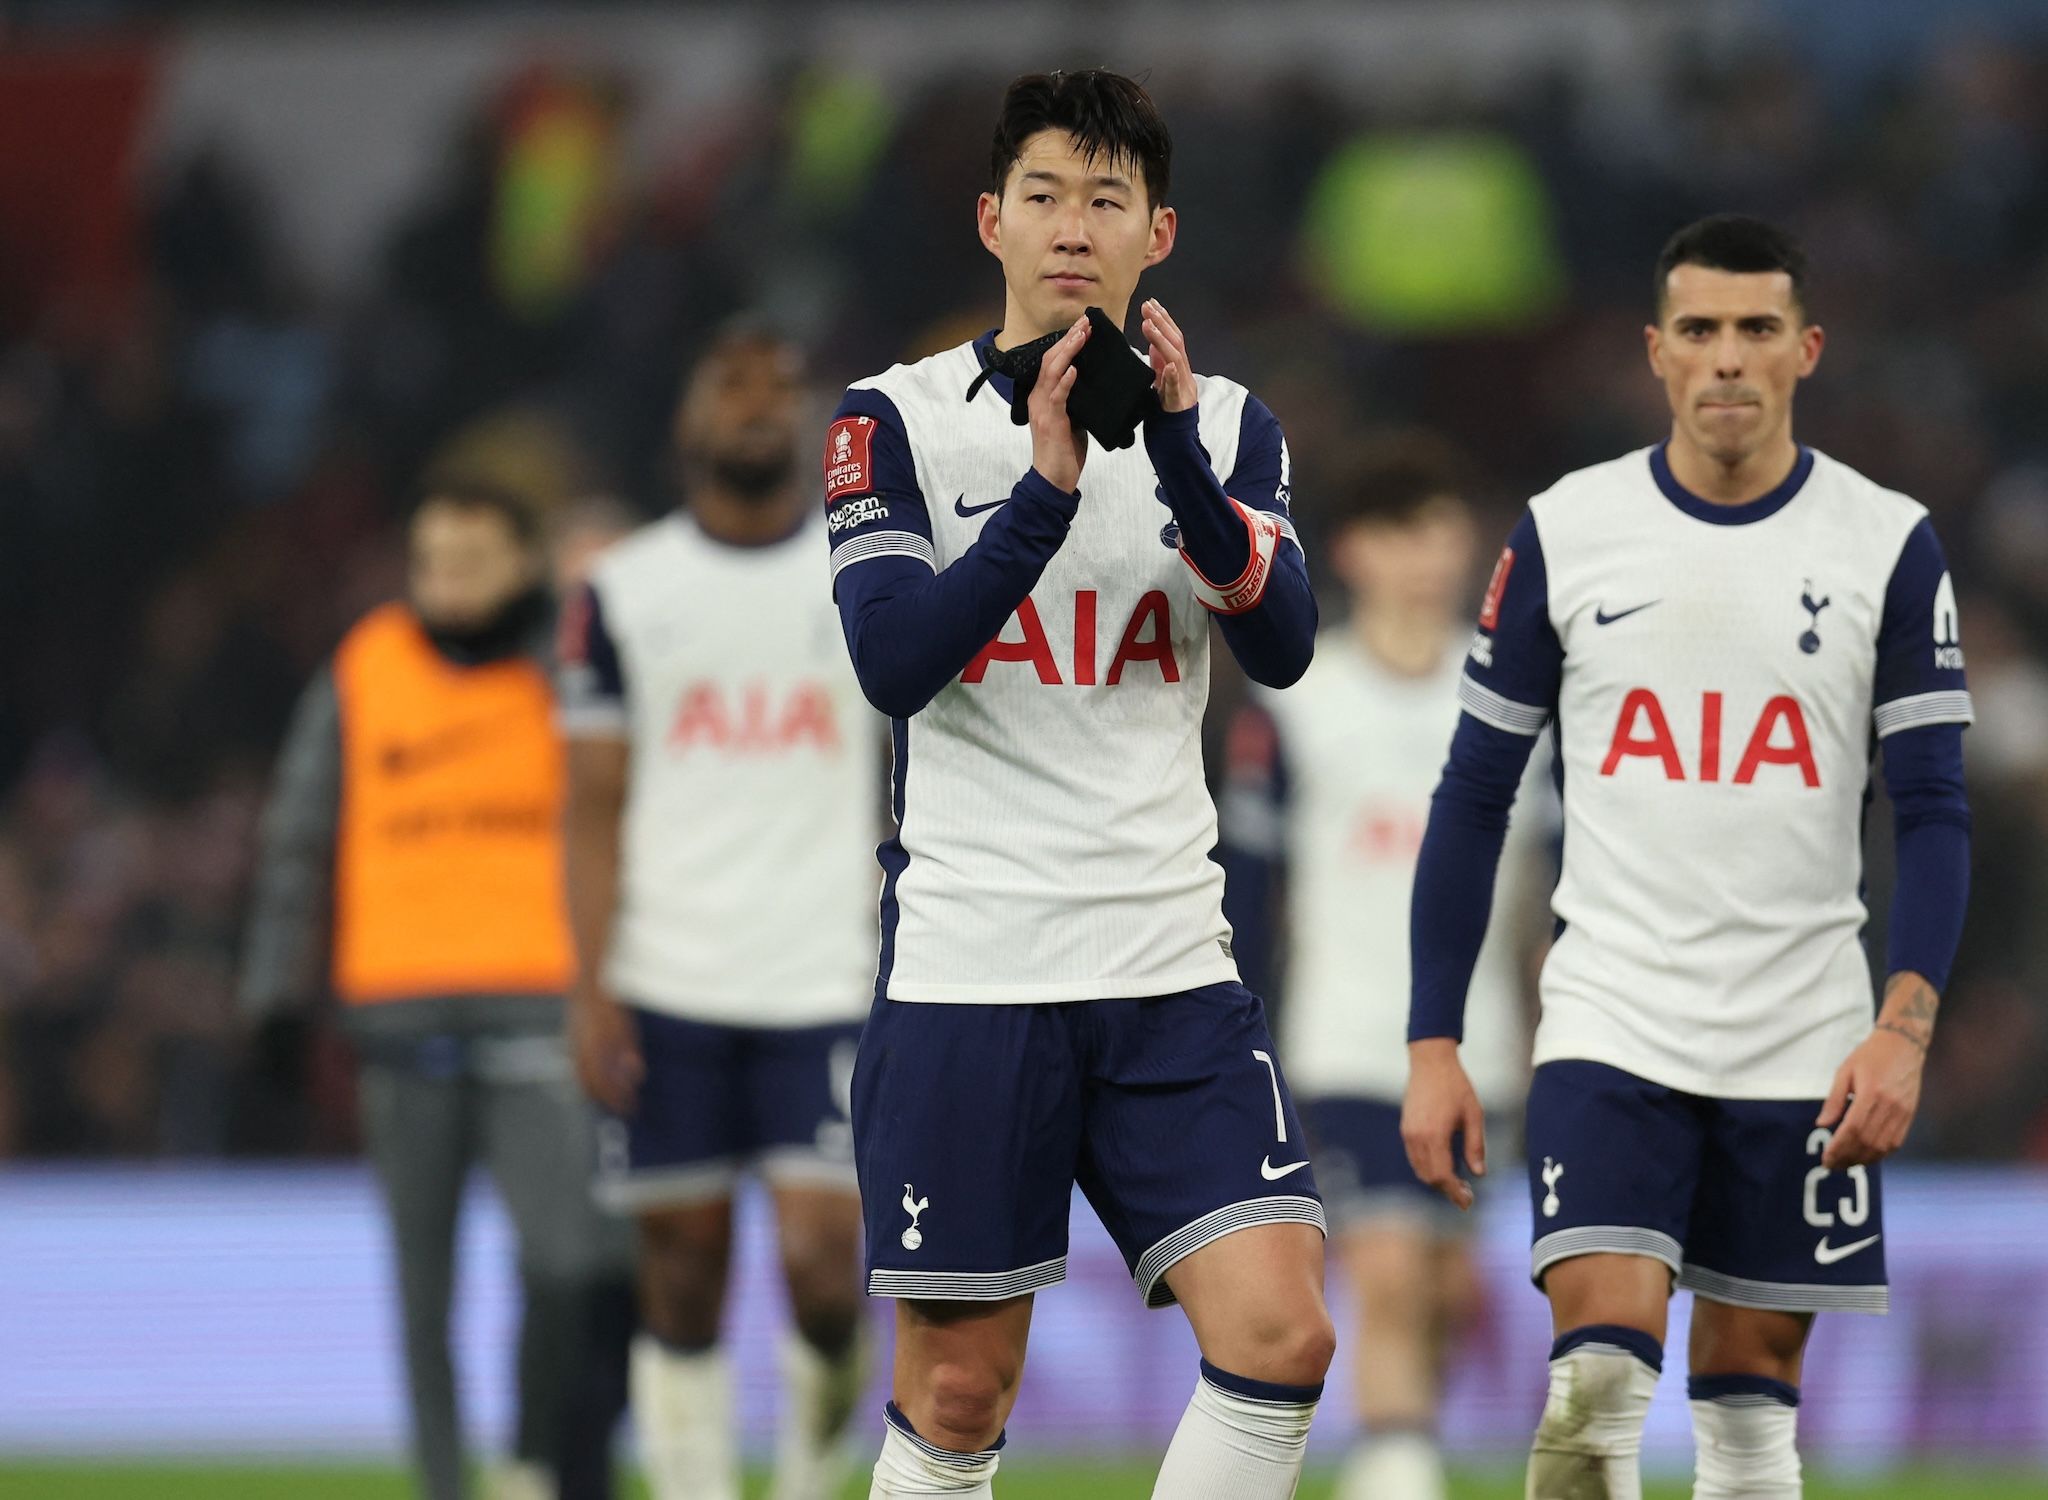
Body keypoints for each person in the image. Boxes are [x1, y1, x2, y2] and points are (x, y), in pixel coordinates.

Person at [1402, 214, 1975, 1499]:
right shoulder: (1567, 530)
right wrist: (1434, 1037)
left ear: (1807, 349)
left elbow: (1933, 810)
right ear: (1654, 353)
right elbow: (1475, 794)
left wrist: (1904, 1030)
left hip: (1804, 1035)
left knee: (1751, 1418)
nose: (1729, 358)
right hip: (1614, 1021)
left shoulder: (1887, 542)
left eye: (1758, 330)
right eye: (1701, 331)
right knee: (1596, 1386)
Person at [818, 68, 1332, 1500]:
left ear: (1156, 233)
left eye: (1107, 200)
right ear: (991, 220)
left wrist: (1166, 448)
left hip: (1168, 960)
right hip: (972, 965)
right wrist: (1042, 495)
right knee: (961, 1390)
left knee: (1283, 1334)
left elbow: (1284, 644)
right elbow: (895, 659)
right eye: (1043, 195)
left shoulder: (1226, 425)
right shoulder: (895, 420)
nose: (1072, 227)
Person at [240, 483, 634, 1500]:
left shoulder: (575, 665)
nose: (444, 584)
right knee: (424, 1298)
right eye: (428, 562)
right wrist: (274, 994)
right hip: (401, 1021)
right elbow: (297, 834)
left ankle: (537, 1461)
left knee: (573, 1264)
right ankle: (449, 1487)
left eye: (469, 561)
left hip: (541, 1009)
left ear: (526, 566)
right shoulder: (366, 667)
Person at [560, 325, 884, 1500]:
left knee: (817, 1263)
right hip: (670, 975)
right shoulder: (620, 592)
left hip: (826, 975)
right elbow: (591, 803)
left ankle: (807, 1470)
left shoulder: (866, 577)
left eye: (779, 391)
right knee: (684, 1269)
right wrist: (590, 983)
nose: (757, 408)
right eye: (730, 387)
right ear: (687, 423)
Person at [1217, 439, 1553, 1500]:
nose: (1429, 556)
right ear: (1356, 551)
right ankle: (1399, 1475)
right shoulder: (1300, 703)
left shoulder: (1512, 703)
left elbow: (1544, 893)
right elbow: (1248, 892)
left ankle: (1395, 1455)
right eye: (1406, 533)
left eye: (1446, 532)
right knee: (1393, 1276)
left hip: (1481, 1049)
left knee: (1446, 1292)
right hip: (1344, 1042)